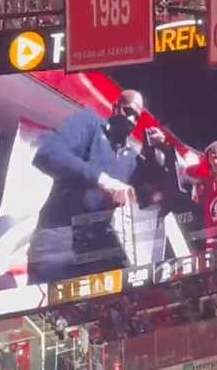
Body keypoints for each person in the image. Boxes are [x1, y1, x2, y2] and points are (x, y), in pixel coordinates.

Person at [29, 90, 166, 283]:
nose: (131, 119)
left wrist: (159, 152)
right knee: (43, 307)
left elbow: (153, 196)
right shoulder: (91, 123)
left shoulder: (133, 158)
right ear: (115, 106)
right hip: (60, 237)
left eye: (136, 116)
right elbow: (47, 154)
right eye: (128, 110)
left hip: (95, 250)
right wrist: (103, 181)